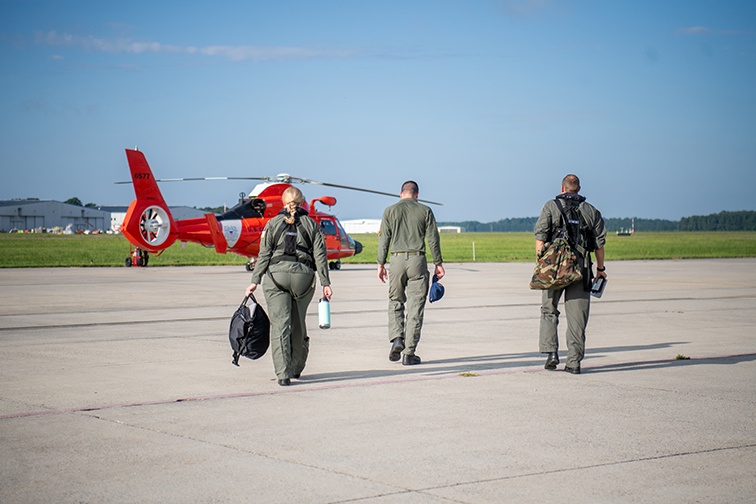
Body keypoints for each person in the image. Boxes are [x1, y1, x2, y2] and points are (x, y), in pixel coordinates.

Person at [245, 186, 332, 386]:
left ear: (283, 203)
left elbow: (264, 255)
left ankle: (283, 374)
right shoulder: (312, 224)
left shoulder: (272, 224)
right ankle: (296, 368)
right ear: (302, 202)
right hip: (303, 277)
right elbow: (320, 255)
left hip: (276, 277)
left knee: (280, 325)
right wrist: (326, 282)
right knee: (298, 324)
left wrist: (254, 281)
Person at [534, 174, 607, 374]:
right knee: (577, 318)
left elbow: (540, 239)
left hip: (554, 267)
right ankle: (574, 362)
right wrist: (600, 270)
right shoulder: (592, 211)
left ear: (562, 188)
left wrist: (542, 265)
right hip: (581, 268)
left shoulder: (550, 206)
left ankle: (551, 353)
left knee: (549, 310)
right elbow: (599, 245)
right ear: (579, 189)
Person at [377, 181, 445, 365]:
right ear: (417, 195)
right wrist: (438, 263)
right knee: (416, 307)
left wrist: (380, 263)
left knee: (395, 301)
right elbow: (433, 239)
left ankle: (396, 338)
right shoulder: (425, 211)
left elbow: (384, 239)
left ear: (401, 194)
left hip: (396, 260)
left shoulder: (389, 211)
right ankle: (409, 353)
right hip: (417, 260)